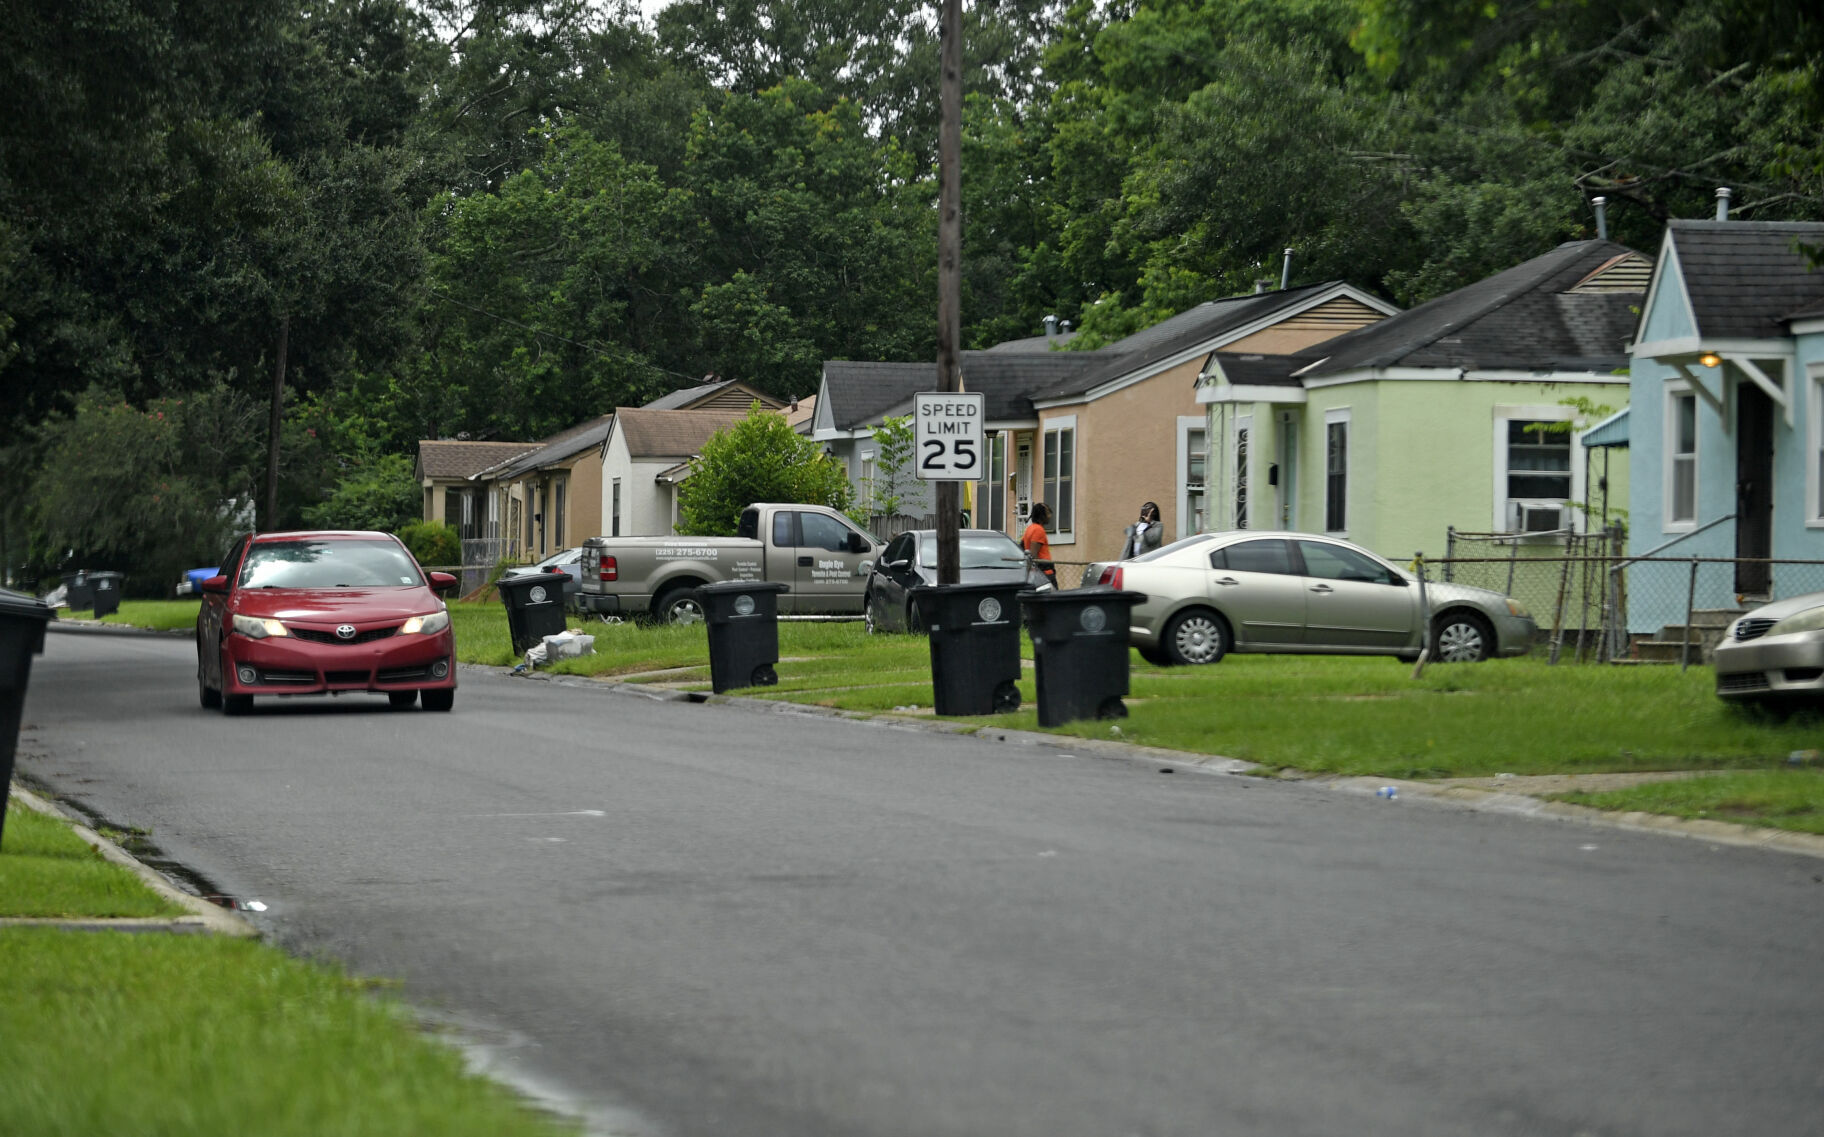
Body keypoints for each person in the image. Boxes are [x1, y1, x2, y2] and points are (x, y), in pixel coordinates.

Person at [1021, 502, 1057, 587]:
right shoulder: (1038, 530)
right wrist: (1046, 566)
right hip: (1045, 574)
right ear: (1041, 516)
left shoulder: (1029, 529)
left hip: (1033, 574)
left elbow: (1021, 546)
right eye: (1047, 513)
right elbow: (1034, 555)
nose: (1050, 516)